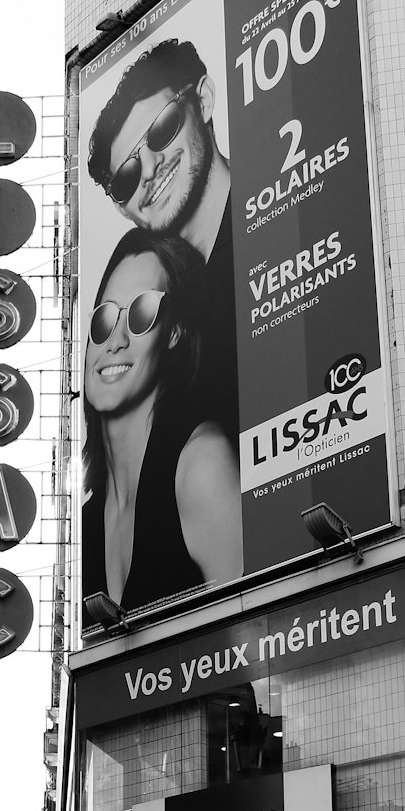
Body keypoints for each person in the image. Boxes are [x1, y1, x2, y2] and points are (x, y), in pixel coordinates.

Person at [81, 229, 241, 612]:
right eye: (103, 318)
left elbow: (267, 646)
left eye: (141, 313)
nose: (114, 340)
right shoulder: (83, 527)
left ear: (174, 333)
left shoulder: (201, 464)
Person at [87, 36, 235, 445]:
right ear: (124, 209)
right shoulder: (153, 321)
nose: (149, 169)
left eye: (163, 128)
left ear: (203, 101)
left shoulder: (284, 211)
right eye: (127, 177)